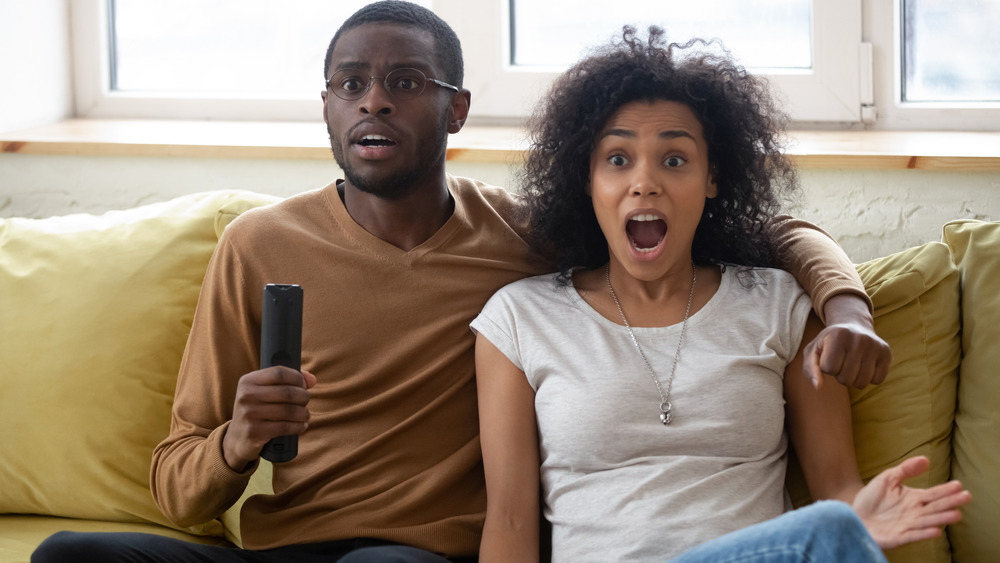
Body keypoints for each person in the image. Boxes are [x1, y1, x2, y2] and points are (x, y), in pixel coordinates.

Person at [34, 2, 889, 562]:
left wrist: (845, 301)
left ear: (456, 110)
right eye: (350, 84)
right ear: (325, 106)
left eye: (404, 83)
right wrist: (236, 439)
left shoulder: (524, 241)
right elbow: (176, 481)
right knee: (68, 555)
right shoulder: (256, 245)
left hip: (409, 553)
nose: (374, 102)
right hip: (277, 547)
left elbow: (766, 228)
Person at [471, 27, 970, 562]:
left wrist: (860, 514)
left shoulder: (781, 307)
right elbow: (509, 521)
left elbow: (838, 492)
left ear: (713, 177)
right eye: (617, 159)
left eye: (674, 159)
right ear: (587, 180)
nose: (645, 183)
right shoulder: (520, 319)